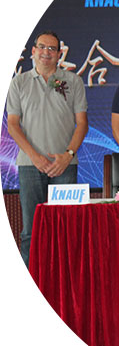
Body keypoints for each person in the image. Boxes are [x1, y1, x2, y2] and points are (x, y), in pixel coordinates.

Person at [6, 30, 88, 267]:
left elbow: (82, 123)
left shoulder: (73, 81)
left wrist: (68, 156)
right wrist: (34, 157)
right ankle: (33, 279)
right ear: (33, 51)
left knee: (67, 229)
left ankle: (66, 281)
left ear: (59, 54)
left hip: (65, 167)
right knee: (31, 231)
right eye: (42, 47)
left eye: (52, 49)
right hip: (30, 166)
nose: (46, 52)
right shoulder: (18, 82)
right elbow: (12, 125)